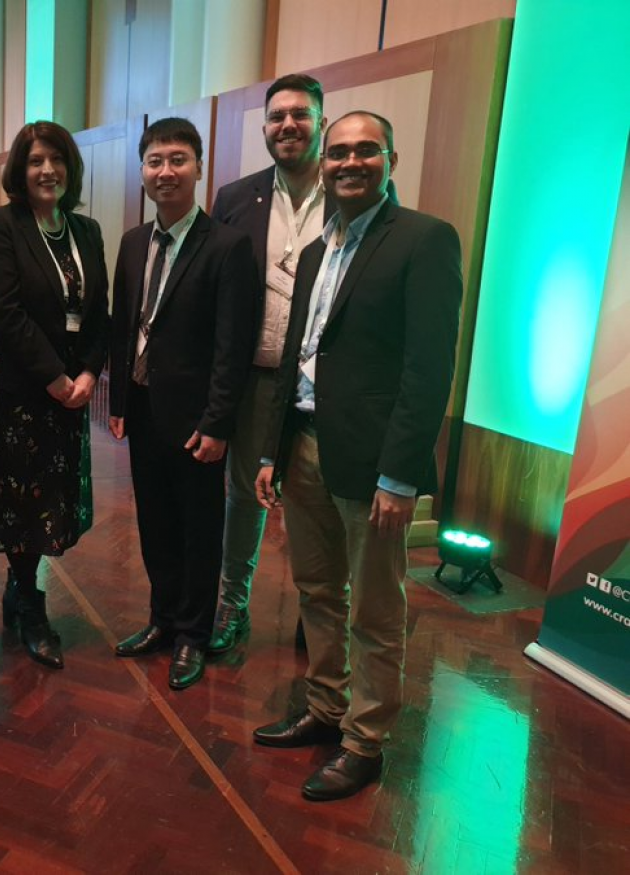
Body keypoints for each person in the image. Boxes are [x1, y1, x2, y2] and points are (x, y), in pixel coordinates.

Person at [252, 111, 462, 800]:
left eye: (364, 150)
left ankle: (365, 741)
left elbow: (428, 369)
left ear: (390, 157)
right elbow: (297, 359)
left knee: (374, 608)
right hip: (305, 446)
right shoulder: (317, 250)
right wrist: (271, 450)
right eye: (338, 151)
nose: (348, 161)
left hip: (374, 467)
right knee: (316, 591)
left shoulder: (424, 240)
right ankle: (325, 707)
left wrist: (401, 475)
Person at [108, 117, 261, 690]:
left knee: (199, 529)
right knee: (155, 524)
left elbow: (232, 344)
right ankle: (162, 620)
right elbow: (125, 327)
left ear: (199, 167)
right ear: (142, 171)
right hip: (145, 411)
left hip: (198, 421)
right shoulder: (131, 242)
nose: (164, 171)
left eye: (177, 159)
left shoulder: (226, 244)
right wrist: (118, 402)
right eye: (154, 160)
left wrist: (219, 422)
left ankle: (194, 635)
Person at [0, 121, 110, 670]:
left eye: (56, 159)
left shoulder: (87, 230)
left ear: (70, 167)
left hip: (72, 393)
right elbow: (3, 312)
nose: (46, 169)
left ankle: (18, 589)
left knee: (52, 500)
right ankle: (29, 601)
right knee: (22, 503)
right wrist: (55, 376)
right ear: (19, 171)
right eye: (35, 161)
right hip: (24, 392)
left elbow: (99, 311)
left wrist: (91, 374)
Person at [208, 73, 331, 654]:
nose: (288, 125)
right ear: (263, 128)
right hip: (254, 376)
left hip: (319, 387)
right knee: (241, 496)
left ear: (320, 122)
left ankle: (319, 612)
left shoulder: (351, 192)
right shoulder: (235, 198)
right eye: (277, 116)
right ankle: (233, 604)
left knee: (315, 498)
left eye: (300, 115)